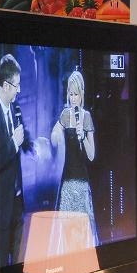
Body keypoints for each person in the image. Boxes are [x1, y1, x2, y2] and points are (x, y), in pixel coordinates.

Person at [0, 54, 31, 267]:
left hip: (17, 205)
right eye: (17, 85)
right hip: (0, 209)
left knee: (19, 268)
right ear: (6, 85)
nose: (19, 90)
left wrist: (31, 145)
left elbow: (22, 138)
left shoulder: (15, 108)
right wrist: (13, 143)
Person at [50, 70, 98, 241]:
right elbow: (54, 133)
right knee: (66, 231)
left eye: (76, 94)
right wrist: (55, 135)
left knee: (81, 231)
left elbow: (91, 155)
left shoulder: (87, 117)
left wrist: (83, 136)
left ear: (81, 94)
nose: (73, 98)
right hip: (67, 180)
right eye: (70, 94)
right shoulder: (65, 115)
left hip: (81, 181)